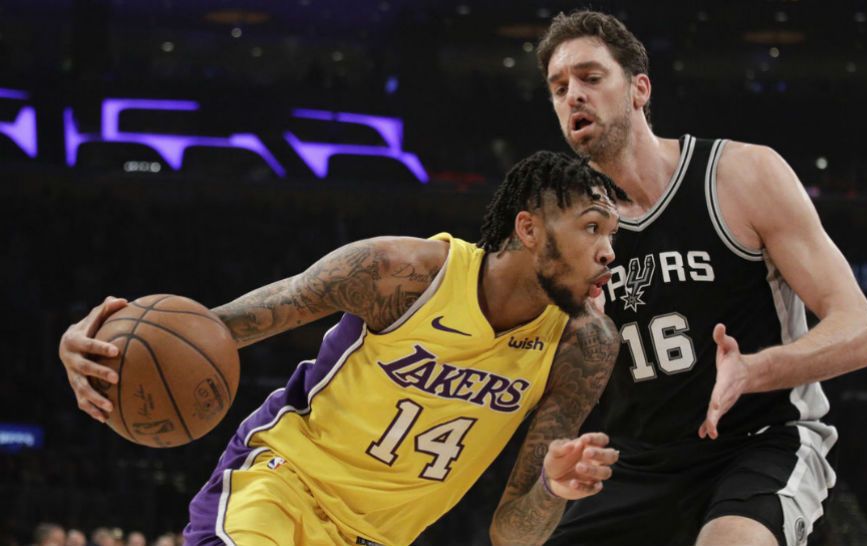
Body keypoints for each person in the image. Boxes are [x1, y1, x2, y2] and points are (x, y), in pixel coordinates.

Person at [59, 151, 625, 546]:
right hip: (280, 488)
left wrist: (554, 489)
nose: (607, 253)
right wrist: (97, 343)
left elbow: (512, 534)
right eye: (591, 228)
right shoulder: (397, 273)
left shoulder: (585, 345)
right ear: (528, 229)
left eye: (612, 236)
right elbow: (211, 332)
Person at [520, 10, 867, 546]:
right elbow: (552, 384)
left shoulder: (741, 176)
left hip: (759, 442)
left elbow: (862, 330)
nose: (573, 95)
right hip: (637, 462)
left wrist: (755, 370)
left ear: (639, 89)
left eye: (590, 78)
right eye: (558, 87)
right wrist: (555, 460)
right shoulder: (564, 236)